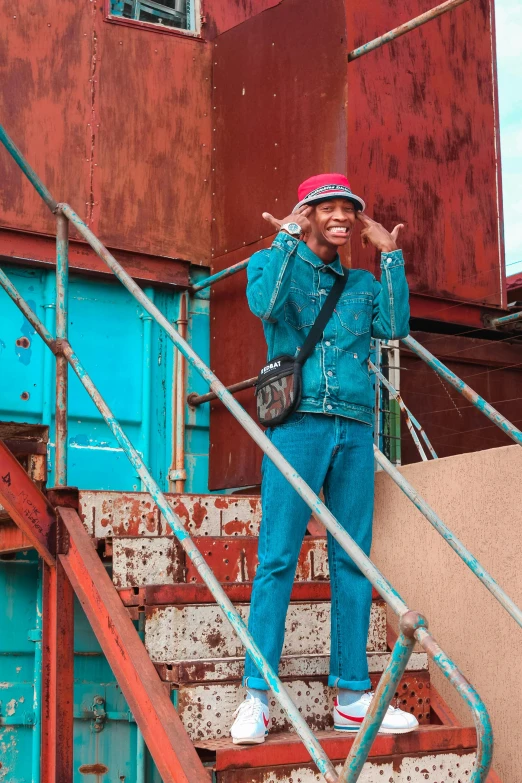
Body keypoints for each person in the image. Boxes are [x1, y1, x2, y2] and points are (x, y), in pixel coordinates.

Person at [230, 174, 415, 745]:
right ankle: (256, 699)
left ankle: (353, 698)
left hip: (356, 431)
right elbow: (263, 304)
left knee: (353, 560)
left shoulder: (359, 283)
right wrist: (285, 238)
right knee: (278, 559)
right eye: (327, 207)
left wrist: (391, 259)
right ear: (307, 214)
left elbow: (395, 327)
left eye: (347, 209)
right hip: (299, 426)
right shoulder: (271, 263)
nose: (339, 216)